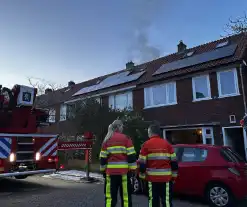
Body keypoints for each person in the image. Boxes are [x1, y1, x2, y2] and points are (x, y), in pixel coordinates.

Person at [138, 122, 178, 207]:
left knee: (153, 202)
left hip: (152, 179)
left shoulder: (146, 145)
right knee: (167, 202)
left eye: (148, 132)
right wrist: (174, 177)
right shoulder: (167, 145)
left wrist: (142, 178)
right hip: (166, 179)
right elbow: (174, 163)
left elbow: (142, 164)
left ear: (151, 132)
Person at [99, 120, 137, 207]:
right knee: (126, 198)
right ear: (119, 127)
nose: (122, 128)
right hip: (124, 173)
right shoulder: (126, 138)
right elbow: (131, 156)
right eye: (122, 126)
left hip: (110, 174)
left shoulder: (107, 140)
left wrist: (103, 171)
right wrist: (132, 171)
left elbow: (102, 158)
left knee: (110, 198)